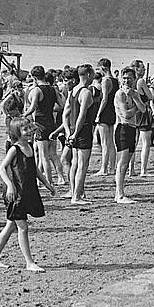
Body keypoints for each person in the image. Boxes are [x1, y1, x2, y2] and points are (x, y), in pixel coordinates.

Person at [0, 118, 55, 271]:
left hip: (27, 191)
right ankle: (29, 262)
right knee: (23, 227)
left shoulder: (30, 146)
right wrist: (10, 185)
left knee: (11, 225)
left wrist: (46, 183)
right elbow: (2, 168)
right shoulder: (14, 149)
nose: (30, 131)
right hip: (16, 193)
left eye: (30, 128)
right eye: (25, 130)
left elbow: (34, 169)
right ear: (17, 134)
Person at [24, 65, 64, 187]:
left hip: (41, 124)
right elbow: (61, 105)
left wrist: (23, 115)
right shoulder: (53, 89)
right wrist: (51, 108)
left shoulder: (36, 90)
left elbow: (33, 107)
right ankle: (61, 178)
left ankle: (49, 181)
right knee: (53, 154)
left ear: (34, 78)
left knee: (43, 156)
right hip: (52, 123)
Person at [113, 66, 147, 204]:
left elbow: (144, 109)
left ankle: (119, 193)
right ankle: (119, 195)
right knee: (122, 163)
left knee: (126, 163)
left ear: (134, 79)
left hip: (132, 129)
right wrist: (137, 108)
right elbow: (126, 115)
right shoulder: (120, 94)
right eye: (124, 78)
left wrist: (134, 98)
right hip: (122, 128)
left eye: (129, 78)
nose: (126, 81)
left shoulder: (134, 93)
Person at [65, 64, 96, 205]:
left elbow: (66, 114)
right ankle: (76, 197)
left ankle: (75, 192)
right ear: (88, 75)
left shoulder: (73, 90)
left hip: (73, 130)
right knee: (82, 165)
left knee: (75, 164)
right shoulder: (86, 92)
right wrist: (76, 133)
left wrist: (69, 132)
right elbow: (82, 116)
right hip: (82, 130)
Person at [92, 58, 118, 178]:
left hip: (105, 112)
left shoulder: (105, 80)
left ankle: (104, 168)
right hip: (112, 111)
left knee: (104, 142)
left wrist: (98, 114)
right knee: (110, 141)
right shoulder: (115, 80)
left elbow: (104, 99)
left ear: (103, 67)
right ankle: (112, 167)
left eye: (98, 68)